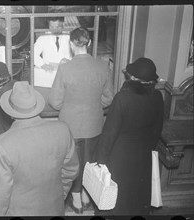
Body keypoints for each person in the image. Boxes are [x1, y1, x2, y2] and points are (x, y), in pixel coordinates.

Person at [0, 81, 79, 216]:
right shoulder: (62, 129)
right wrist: (61, 194)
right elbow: (71, 170)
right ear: (37, 105)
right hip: (55, 207)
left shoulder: (2, 144)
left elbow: (0, 196)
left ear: (11, 113)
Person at [48, 27, 114, 214]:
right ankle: (86, 195)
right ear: (90, 43)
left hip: (70, 126)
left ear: (71, 44)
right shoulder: (102, 67)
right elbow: (109, 98)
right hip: (94, 124)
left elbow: (55, 101)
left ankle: (75, 199)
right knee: (89, 161)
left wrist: (70, 106)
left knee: (72, 163)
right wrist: (93, 105)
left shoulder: (65, 68)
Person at [94, 57, 164, 215]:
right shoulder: (158, 97)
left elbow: (109, 133)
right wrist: (147, 147)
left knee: (118, 196)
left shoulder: (122, 98)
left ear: (133, 78)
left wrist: (101, 160)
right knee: (137, 195)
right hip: (143, 154)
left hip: (120, 156)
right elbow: (157, 129)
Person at [33, 15, 72, 87]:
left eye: (57, 27)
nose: (54, 30)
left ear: (63, 24)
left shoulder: (70, 38)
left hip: (66, 73)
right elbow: (33, 54)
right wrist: (42, 65)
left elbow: (77, 55)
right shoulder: (43, 38)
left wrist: (69, 61)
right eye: (51, 27)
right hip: (48, 74)